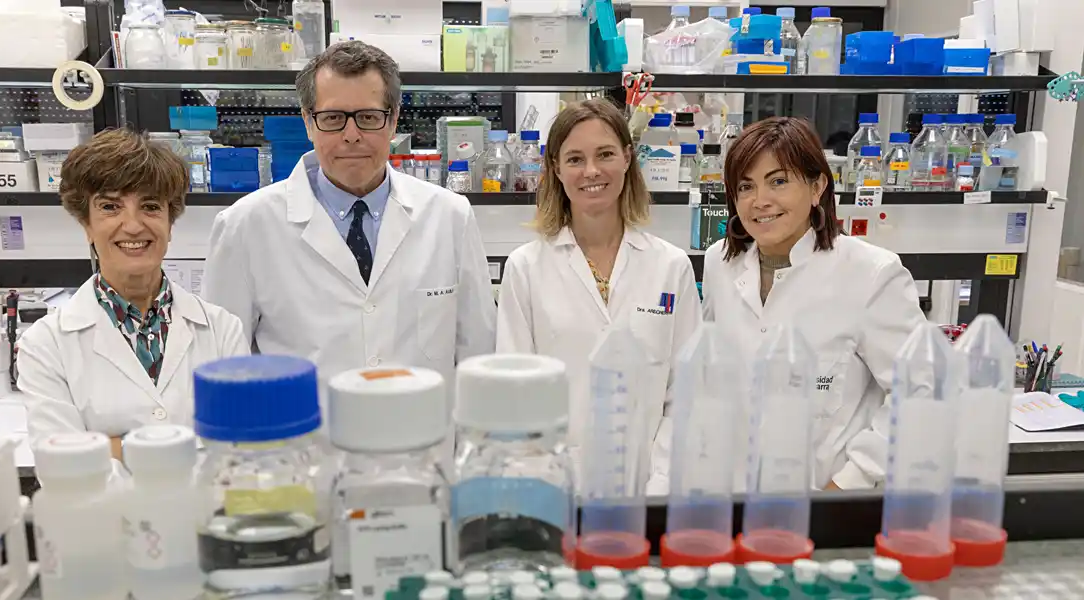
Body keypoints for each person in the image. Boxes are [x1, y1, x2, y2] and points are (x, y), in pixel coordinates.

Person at [204, 41, 496, 394]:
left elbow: (479, 360)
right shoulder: (245, 226)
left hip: (423, 445)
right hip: (304, 447)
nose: (352, 135)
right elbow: (221, 371)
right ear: (308, 121)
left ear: (394, 119)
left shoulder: (450, 217)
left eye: (369, 117)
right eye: (332, 118)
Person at [697, 116, 926, 491]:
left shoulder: (870, 273)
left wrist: (852, 480)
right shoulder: (720, 263)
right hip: (730, 499)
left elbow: (922, 390)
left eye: (778, 181)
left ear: (817, 185)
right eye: (745, 186)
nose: (760, 201)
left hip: (824, 504)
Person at [496, 98, 702, 491]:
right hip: (555, 489)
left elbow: (686, 396)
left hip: (650, 488)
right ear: (555, 168)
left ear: (628, 158)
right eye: (575, 159)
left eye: (605, 154)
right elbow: (516, 397)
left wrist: (659, 485)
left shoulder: (670, 267)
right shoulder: (525, 268)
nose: (591, 171)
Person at [17, 129, 249, 459]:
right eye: (111, 207)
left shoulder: (222, 330)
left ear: (170, 221)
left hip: (205, 510)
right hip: (106, 512)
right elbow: (58, 463)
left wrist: (112, 448)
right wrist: (189, 445)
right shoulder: (45, 345)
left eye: (150, 206)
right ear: (87, 225)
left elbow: (240, 449)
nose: (133, 225)